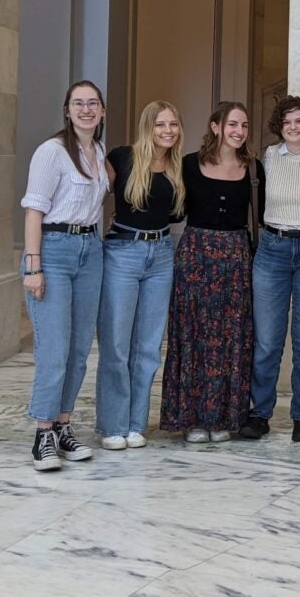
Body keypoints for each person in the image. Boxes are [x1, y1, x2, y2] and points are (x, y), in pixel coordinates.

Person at [160, 102, 265, 443]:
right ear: (216, 126)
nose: (239, 131)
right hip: (196, 256)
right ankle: (192, 418)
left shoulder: (253, 168)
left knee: (232, 337)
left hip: (236, 256)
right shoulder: (189, 164)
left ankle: (223, 418)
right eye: (233, 124)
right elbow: (172, 208)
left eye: (245, 125)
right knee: (194, 335)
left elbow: (265, 213)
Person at [240, 96, 300, 443]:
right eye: (287, 123)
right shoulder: (268, 158)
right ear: (279, 128)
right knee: (267, 341)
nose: (294, 127)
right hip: (273, 250)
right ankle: (259, 413)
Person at [21, 80, 109, 471]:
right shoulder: (51, 152)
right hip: (53, 251)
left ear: (102, 111)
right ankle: (42, 433)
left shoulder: (98, 152)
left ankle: (63, 426)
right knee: (54, 350)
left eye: (93, 103)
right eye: (79, 103)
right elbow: (34, 212)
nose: (86, 109)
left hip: (90, 251)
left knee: (77, 351)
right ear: (67, 110)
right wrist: (34, 265)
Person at [96, 101, 185, 449]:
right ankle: (112, 425)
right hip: (123, 252)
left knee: (148, 346)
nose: (167, 131)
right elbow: (89, 189)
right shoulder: (123, 157)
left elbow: (176, 215)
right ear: (148, 126)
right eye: (161, 124)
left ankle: (135, 423)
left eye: (173, 124)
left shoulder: (177, 167)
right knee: (116, 344)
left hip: (162, 255)